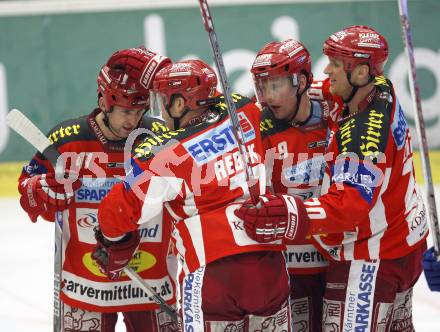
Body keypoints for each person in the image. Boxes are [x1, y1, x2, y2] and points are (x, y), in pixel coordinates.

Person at [236, 25, 429, 331]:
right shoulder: (381, 90)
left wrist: (289, 213)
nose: (328, 71)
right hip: (404, 241)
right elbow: (324, 89)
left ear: (362, 71)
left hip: (371, 258)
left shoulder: (362, 135)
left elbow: (348, 207)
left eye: (337, 65)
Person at [92, 59, 294, 331]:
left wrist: (114, 242)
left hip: (213, 274)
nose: (160, 111)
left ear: (178, 104)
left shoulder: (165, 154)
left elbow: (115, 214)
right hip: (269, 268)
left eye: (162, 101)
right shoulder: (243, 111)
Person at [18, 47, 179, 331]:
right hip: (85, 286)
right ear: (106, 101)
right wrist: (44, 190)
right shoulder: (66, 141)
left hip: (152, 282)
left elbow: (188, 191)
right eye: (127, 111)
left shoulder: (161, 138)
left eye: (140, 111)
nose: (134, 121)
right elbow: (27, 191)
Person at [251, 39, 328, 332]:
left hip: (338, 261)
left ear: (302, 81)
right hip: (289, 268)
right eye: (261, 86)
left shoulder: (336, 116)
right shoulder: (258, 129)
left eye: (276, 85)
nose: (267, 97)